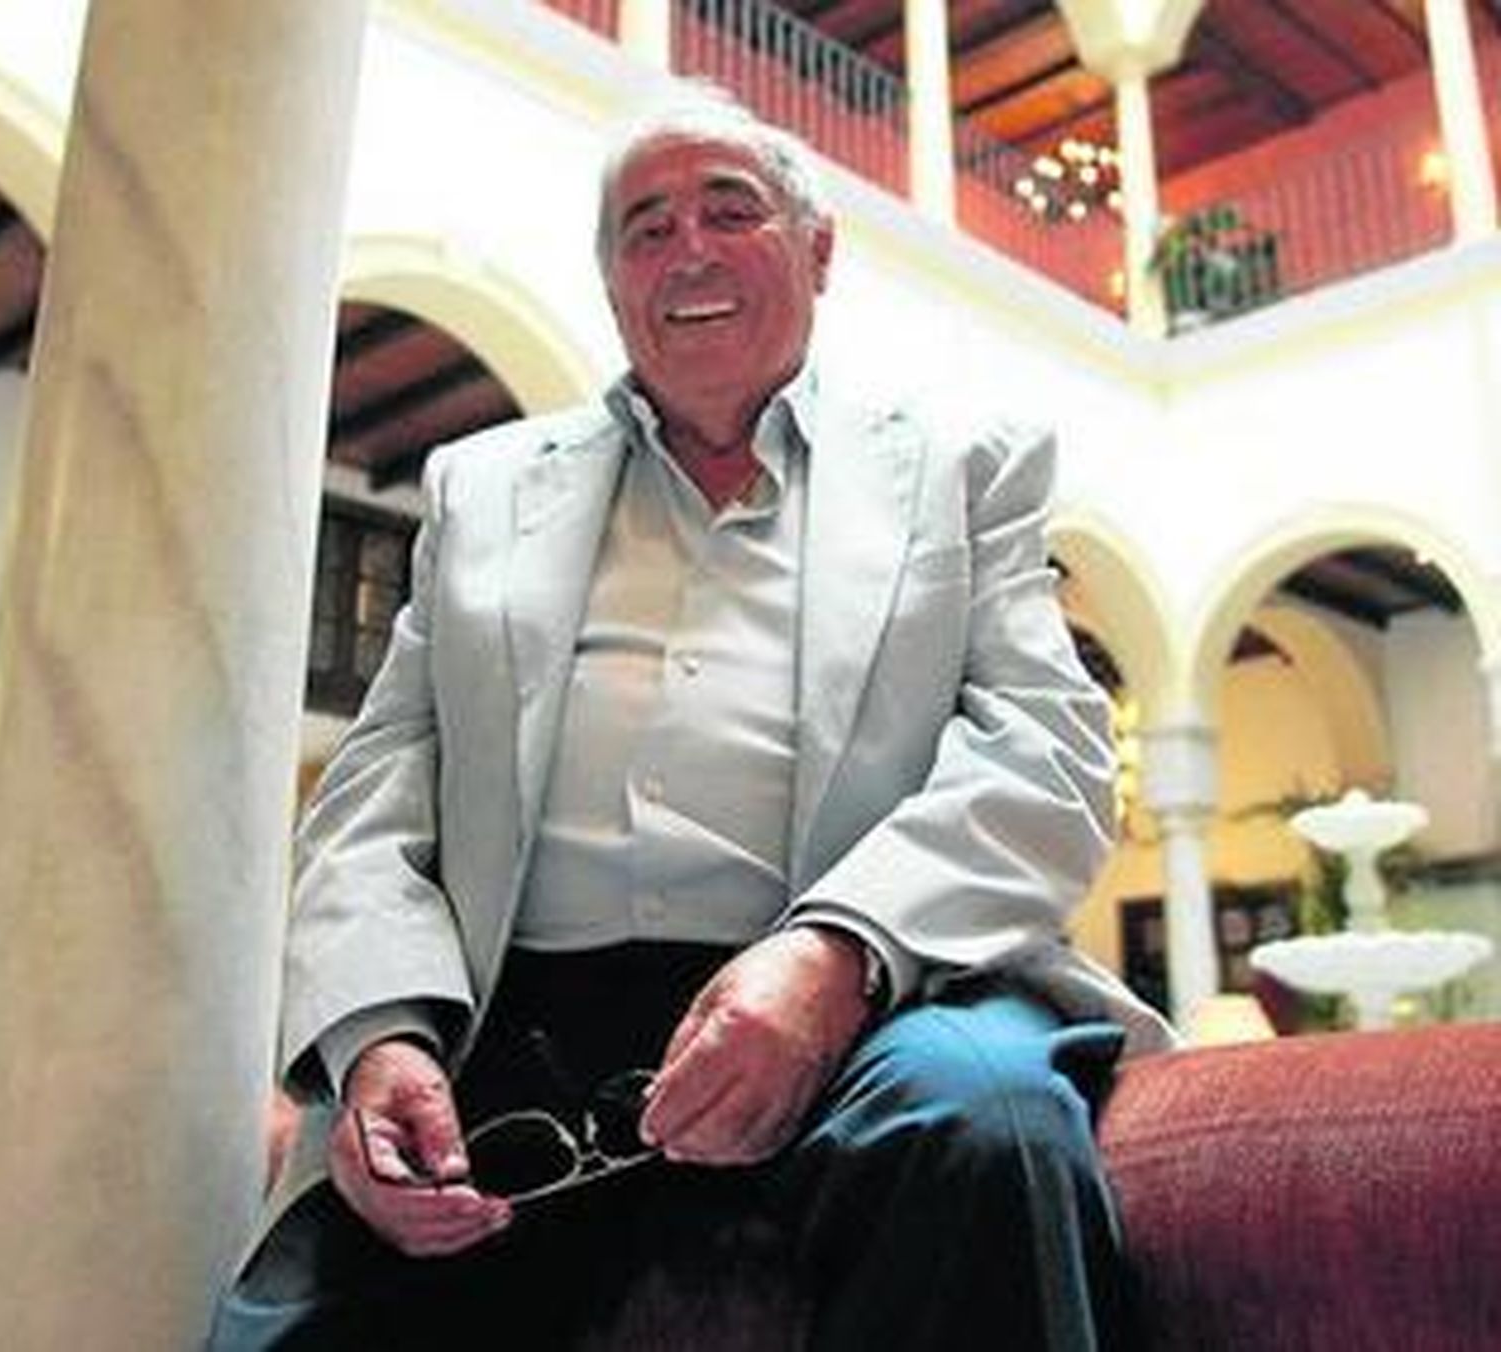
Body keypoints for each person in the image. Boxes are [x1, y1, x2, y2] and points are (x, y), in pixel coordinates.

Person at [213, 87, 1175, 1351]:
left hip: (877, 986)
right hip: (517, 1011)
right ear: (612, 282)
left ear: (817, 250)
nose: (688, 253)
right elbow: (375, 796)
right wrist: (381, 1035)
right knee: (305, 1307)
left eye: (731, 210)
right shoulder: (479, 489)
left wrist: (831, 953)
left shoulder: (959, 467)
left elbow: (1046, 753)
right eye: (647, 228)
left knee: (982, 1126)